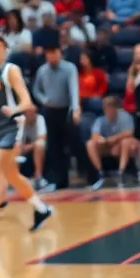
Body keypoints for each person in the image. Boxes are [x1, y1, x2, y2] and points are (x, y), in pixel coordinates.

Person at [0, 36, 54, 235]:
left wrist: (14, 110)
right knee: (12, 175)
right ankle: (41, 209)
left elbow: (28, 102)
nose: (1, 50)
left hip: (12, 126)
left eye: (2, 46)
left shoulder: (10, 70)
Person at [32, 44, 81, 190]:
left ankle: (93, 176)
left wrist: (75, 108)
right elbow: (36, 90)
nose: (52, 56)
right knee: (54, 146)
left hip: (67, 110)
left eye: (54, 52)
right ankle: (60, 181)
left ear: (60, 53)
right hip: (50, 111)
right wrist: (44, 99)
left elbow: (73, 88)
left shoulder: (69, 68)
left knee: (75, 143)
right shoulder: (42, 70)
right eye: (49, 53)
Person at [87, 96, 140, 189]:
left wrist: (115, 138)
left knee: (126, 142)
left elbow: (130, 132)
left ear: (115, 108)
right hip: (108, 146)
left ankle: (121, 173)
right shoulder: (101, 120)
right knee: (90, 144)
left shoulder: (125, 116)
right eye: (106, 107)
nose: (108, 109)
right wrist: (101, 140)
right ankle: (101, 174)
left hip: (124, 145)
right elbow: (94, 134)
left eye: (110, 106)